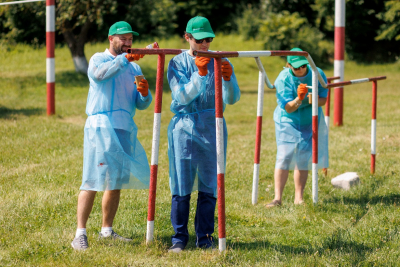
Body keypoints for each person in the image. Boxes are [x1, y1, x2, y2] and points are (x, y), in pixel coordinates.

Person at [71, 21, 152, 250]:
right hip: (100, 126)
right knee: (93, 178)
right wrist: (125, 59)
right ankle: (80, 233)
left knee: (115, 181)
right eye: (123, 39)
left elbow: (141, 103)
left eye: (130, 39)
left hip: (124, 126)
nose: (127, 43)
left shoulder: (135, 68)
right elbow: (99, 76)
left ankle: (107, 230)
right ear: (111, 39)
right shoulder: (99, 59)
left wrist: (145, 94)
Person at [166, 16, 241, 252]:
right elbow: (182, 97)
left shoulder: (220, 60)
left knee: (210, 184)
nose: (205, 44)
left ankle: (205, 237)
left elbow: (232, 98)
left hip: (212, 127)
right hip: (183, 129)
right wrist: (199, 75)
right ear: (187, 37)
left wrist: (228, 79)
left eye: (209, 39)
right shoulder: (176, 64)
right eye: (200, 40)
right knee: (181, 184)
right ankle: (179, 238)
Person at [266, 47, 329, 208]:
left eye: (303, 66)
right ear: (288, 66)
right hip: (287, 119)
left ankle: (298, 198)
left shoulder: (317, 73)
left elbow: (323, 100)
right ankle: (277, 198)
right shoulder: (283, 79)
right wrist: (299, 98)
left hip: (309, 120)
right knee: (285, 156)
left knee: (303, 157)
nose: (301, 70)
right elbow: (288, 107)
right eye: (297, 67)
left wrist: (310, 98)